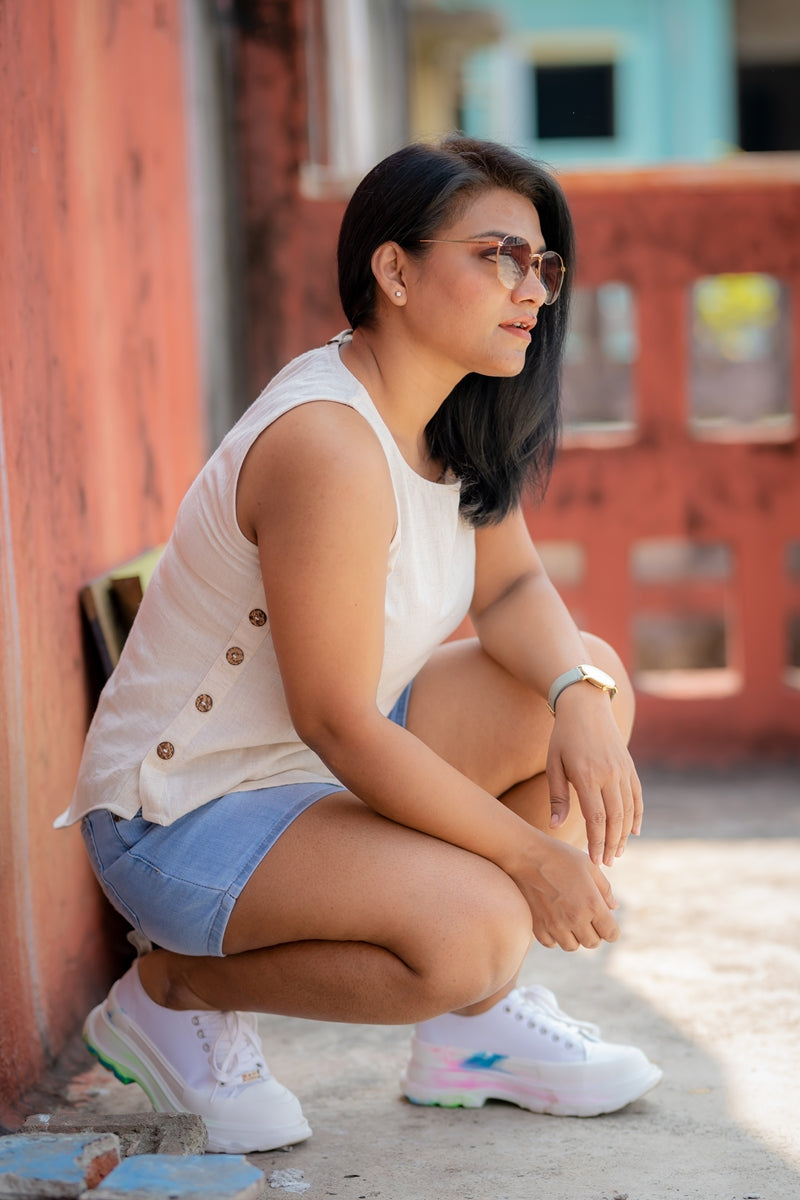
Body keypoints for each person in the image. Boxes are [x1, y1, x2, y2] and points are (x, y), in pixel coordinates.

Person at [57, 135, 661, 1155]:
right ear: (393, 269)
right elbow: (333, 719)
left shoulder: (445, 412)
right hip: (189, 810)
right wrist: (527, 862)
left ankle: (465, 1040)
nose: (531, 289)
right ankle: (169, 994)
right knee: (475, 930)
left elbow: (509, 584)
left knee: (578, 692)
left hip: (315, 761)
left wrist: (578, 692)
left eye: (541, 264)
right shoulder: (327, 445)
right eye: (495, 256)